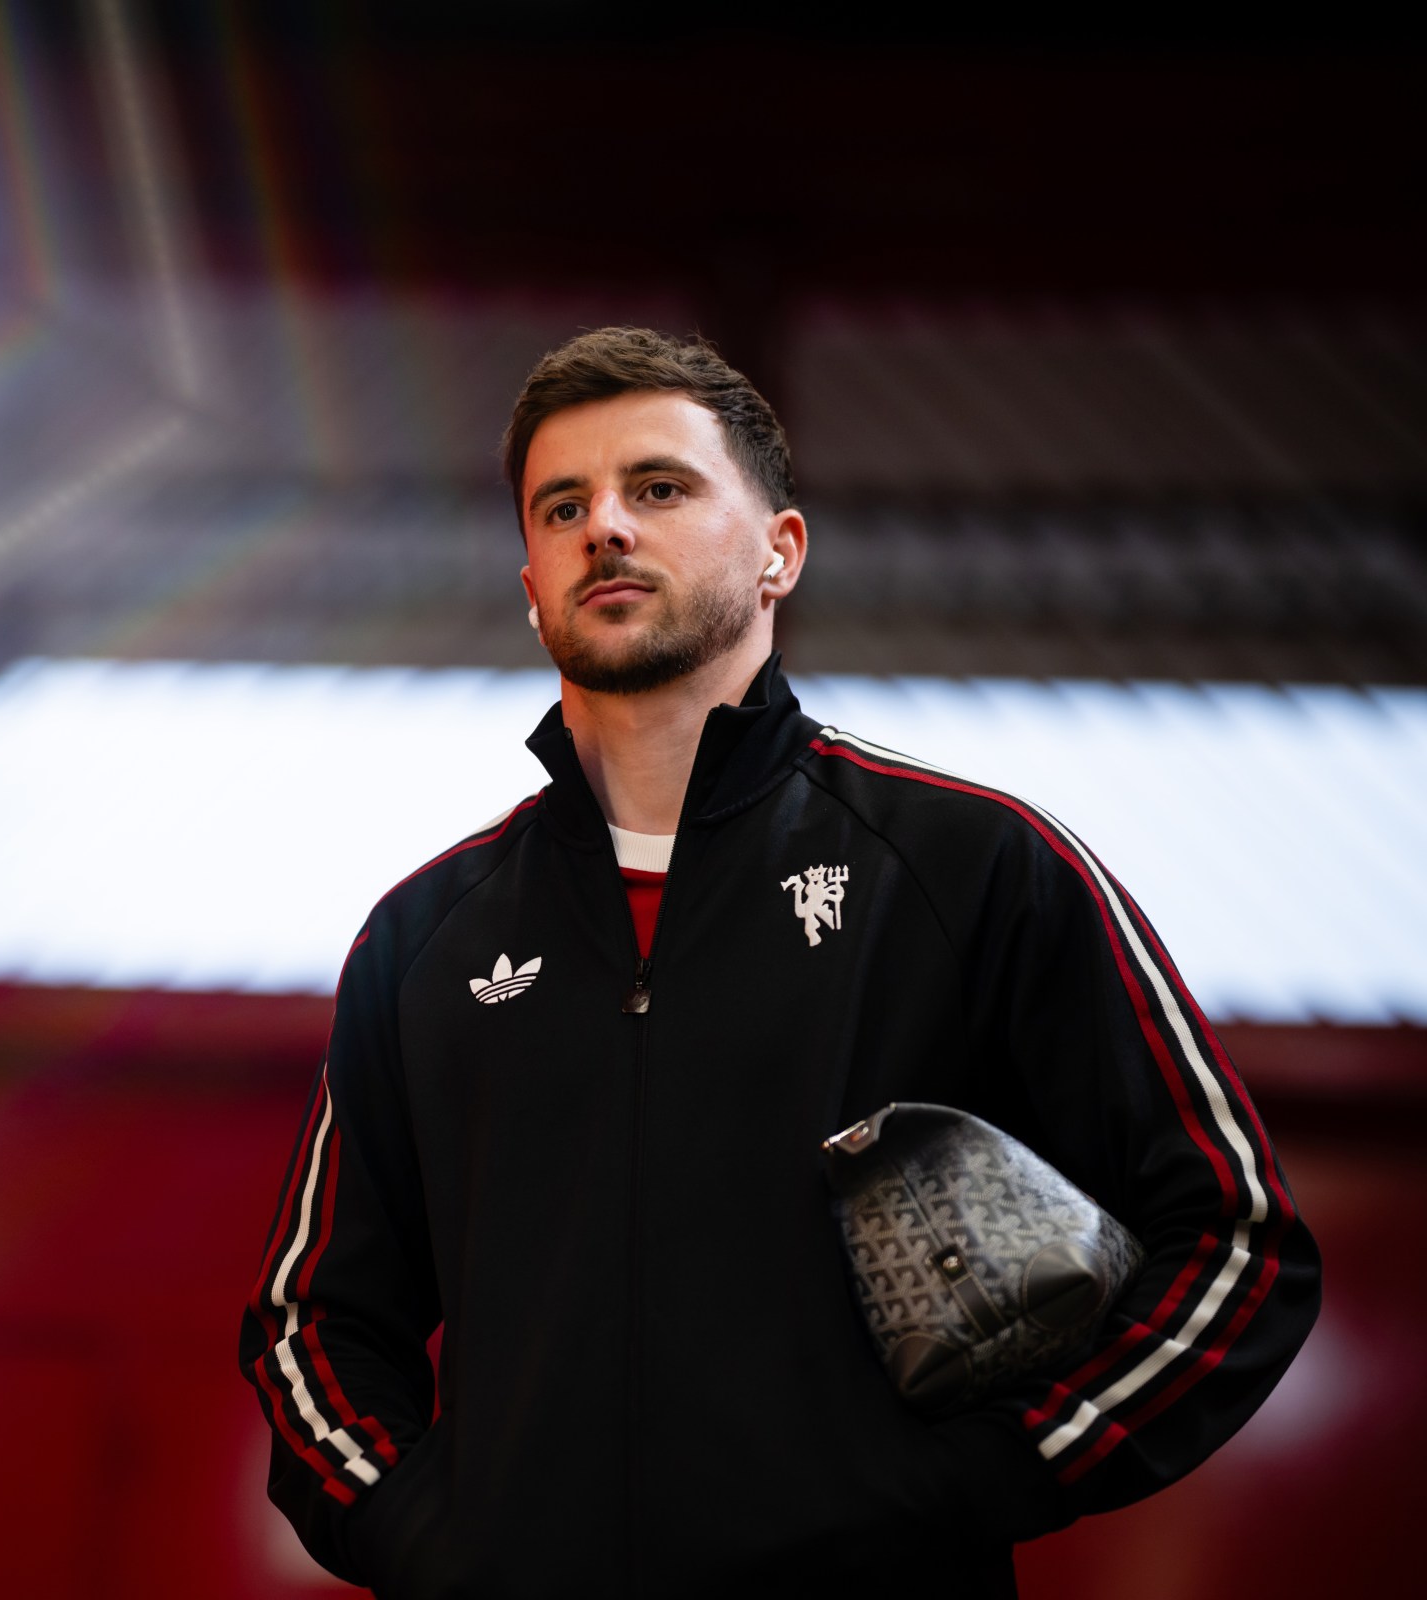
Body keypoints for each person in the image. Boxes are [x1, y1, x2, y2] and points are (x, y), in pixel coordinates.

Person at [235, 328, 1320, 1596]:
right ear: (529, 579)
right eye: (562, 505)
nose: (607, 530)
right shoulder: (425, 939)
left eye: (660, 488)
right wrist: (425, 1534)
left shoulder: (975, 867)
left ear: (778, 553)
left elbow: (1240, 1243)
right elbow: (315, 1324)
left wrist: (977, 1483)